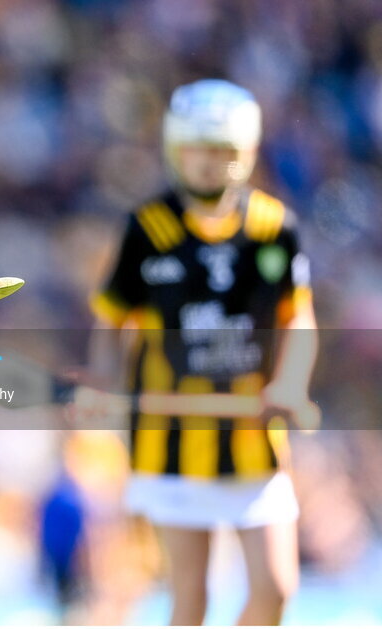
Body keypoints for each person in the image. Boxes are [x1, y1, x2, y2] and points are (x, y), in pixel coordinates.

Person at [81, 79, 318, 625]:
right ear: (175, 149)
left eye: (224, 152)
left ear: (247, 154)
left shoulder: (275, 229)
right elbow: (112, 320)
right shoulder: (148, 229)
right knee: (192, 599)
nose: (211, 164)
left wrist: (289, 384)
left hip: (254, 441)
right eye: (199, 150)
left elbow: (297, 317)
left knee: (276, 590)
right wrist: (103, 381)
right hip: (169, 445)